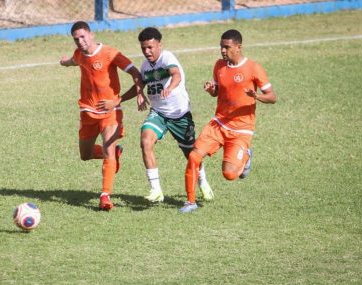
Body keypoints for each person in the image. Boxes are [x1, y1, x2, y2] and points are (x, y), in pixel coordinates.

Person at [181, 29, 277, 213]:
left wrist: (256, 96)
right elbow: (218, 91)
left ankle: (246, 155)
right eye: (221, 47)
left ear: (238, 47)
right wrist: (211, 89)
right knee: (194, 156)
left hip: (241, 129)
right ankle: (190, 202)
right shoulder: (219, 65)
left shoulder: (253, 68)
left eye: (227, 47)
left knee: (230, 174)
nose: (223, 51)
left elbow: (272, 97)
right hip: (219, 123)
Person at [60, 21, 145, 211]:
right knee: (85, 155)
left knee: (108, 148)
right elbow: (73, 61)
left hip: (111, 111)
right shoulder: (79, 55)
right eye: (76, 39)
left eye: (83, 36)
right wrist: (64, 62)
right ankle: (116, 154)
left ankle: (105, 196)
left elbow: (136, 73)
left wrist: (134, 95)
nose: (80, 42)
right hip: (88, 112)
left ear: (91, 34)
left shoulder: (110, 53)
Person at [121, 27, 213, 203]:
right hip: (159, 113)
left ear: (159, 45)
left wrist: (170, 88)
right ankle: (156, 190)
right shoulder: (145, 66)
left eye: (150, 47)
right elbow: (140, 83)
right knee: (145, 141)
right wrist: (127, 97)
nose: (147, 52)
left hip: (180, 115)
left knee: (191, 155)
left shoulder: (167, 57)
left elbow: (176, 74)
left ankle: (203, 182)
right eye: (143, 48)